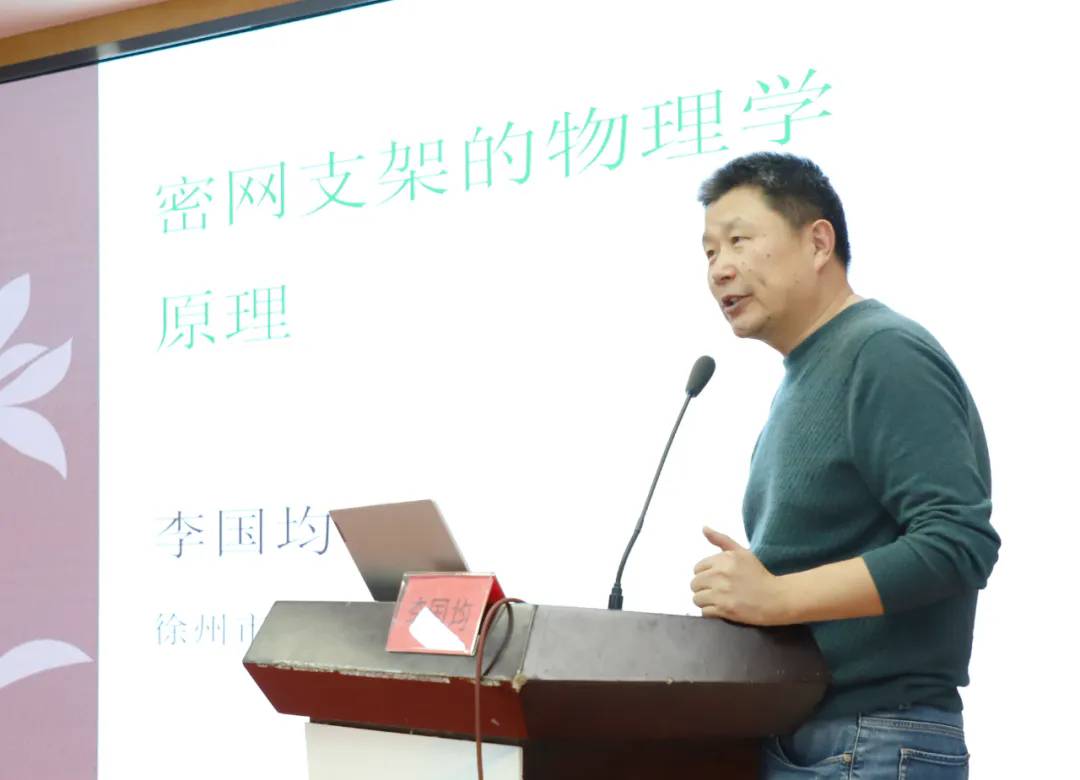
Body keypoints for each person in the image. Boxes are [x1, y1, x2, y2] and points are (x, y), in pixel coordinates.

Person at [688, 151, 1001, 779]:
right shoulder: (804, 372)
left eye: (739, 240)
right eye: (709, 252)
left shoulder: (882, 352)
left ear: (818, 242)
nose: (719, 268)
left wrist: (775, 596)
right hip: (807, 732)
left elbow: (958, 543)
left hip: (875, 735)